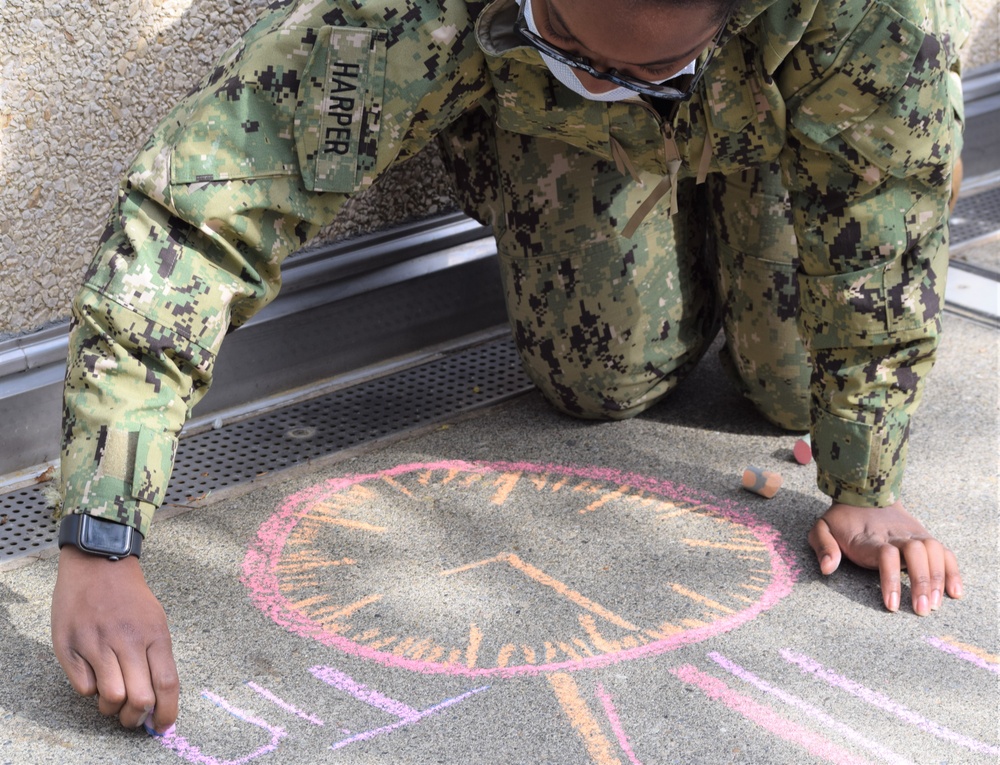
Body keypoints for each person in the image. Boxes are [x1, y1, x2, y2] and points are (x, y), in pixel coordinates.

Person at [50, 0, 969, 734]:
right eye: (566, 31)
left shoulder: (874, 17)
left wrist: (868, 480)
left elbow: (886, 233)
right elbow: (199, 215)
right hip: (573, 139)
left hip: (784, 124)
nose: (599, 62)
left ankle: (737, 183)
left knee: (799, 392)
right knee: (599, 380)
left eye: (645, 62)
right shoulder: (406, 12)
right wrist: (100, 538)